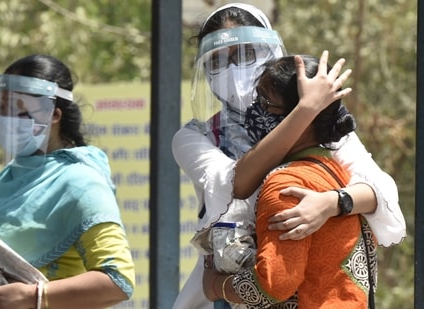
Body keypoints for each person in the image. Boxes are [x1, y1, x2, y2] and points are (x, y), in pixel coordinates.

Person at [172, 3, 404, 309]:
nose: (233, 69)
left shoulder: (323, 126)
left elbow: (381, 191)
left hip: (309, 290)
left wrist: (330, 203)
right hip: (225, 285)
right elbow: (234, 184)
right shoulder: (196, 136)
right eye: (218, 61)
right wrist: (305, 111)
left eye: (245, 54)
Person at [0, 54, 135, 309]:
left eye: (17, 109)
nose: (5, 120)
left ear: (54, 114)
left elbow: (118, 281)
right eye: (1, 110)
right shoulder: (9, 176)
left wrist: (34, 297)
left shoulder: (81, 182)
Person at [202, 54, 376, 308]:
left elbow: (274, 286)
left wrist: (215, 286)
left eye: (266, 103)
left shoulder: (287, 185)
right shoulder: (339, 173)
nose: (256, 110)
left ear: (301, 117)